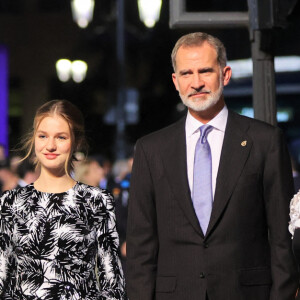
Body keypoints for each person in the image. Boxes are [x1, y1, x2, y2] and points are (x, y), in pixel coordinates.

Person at [126, 32, 298, 300]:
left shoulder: (265, 142)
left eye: (205, 71)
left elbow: (282, 239)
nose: (196, 83)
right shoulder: (151, 150)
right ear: (175, 81)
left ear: (225, 74)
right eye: (186, 74)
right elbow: (140, 248)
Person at [0, 100, 126, 299]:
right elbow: (2, 278)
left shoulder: (96, 201)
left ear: (75, 141)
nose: (50, 145)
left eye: (61, 137)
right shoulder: (10, 202)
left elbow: (113, 284)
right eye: (43, 136)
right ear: (34, 139)